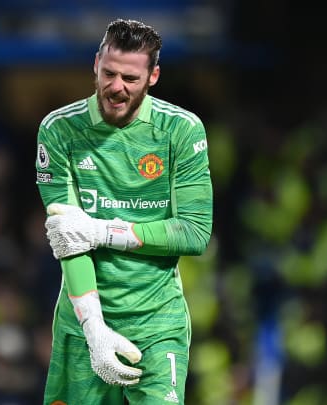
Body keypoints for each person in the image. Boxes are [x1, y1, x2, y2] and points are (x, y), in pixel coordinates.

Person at [35, 18, 213, 404]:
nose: (117, 87)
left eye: (130, 78)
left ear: (153, 77)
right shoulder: (59, 130)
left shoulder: (181, 131)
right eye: (109, 74)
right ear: (96, 64)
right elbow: (68, 240)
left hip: (157, 322)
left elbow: (194, 232)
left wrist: (103, 231)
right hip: (82, 322)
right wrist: (94, 328)